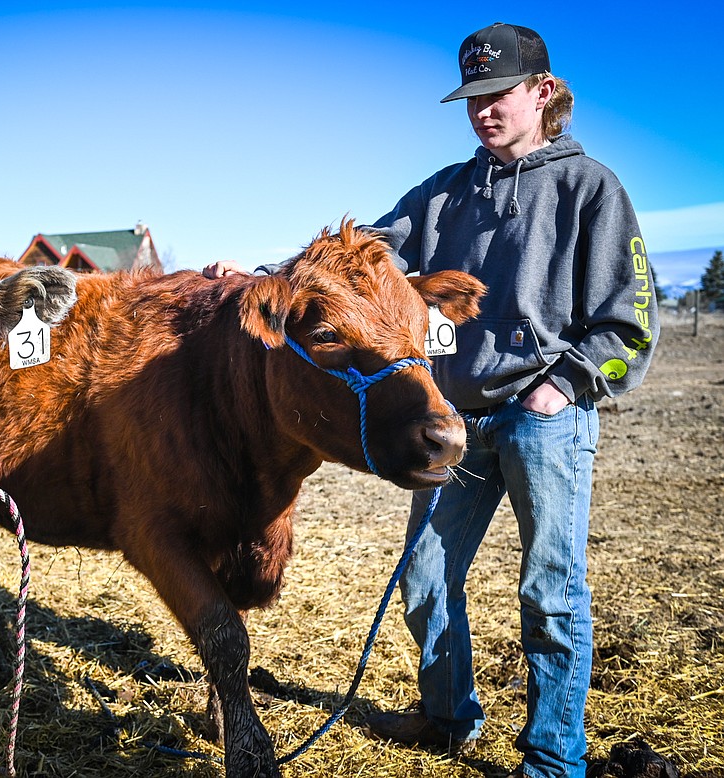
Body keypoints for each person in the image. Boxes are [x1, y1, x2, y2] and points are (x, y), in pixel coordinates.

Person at [203, 22, 659, 778]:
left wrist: (564, 384)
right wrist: (258, 276)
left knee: (549, 591)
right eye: (472, 97)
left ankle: (553, 756)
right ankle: (450, 718)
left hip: (545, 420)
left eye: (498, 93)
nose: (483, 110)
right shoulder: (445, 192)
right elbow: (348, 259)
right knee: (424, 579)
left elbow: (631, 322)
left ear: (543, 92)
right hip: (456, 424)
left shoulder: (591, 189)